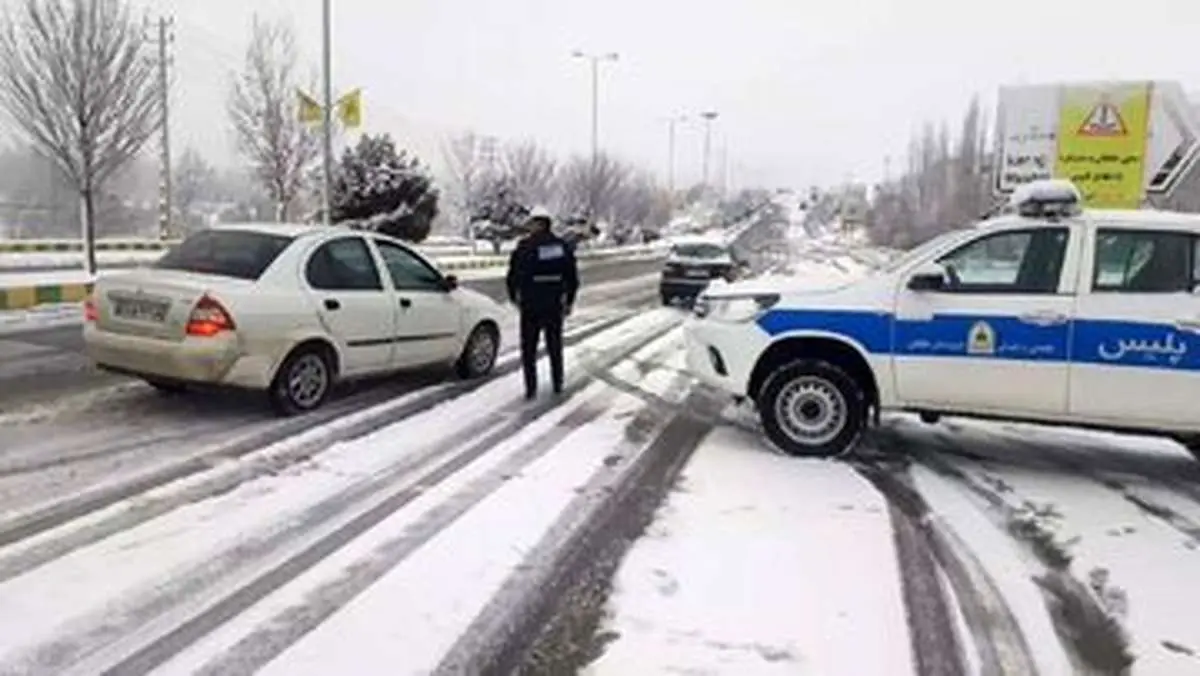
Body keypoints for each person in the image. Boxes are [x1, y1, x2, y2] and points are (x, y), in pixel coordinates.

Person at [506, 206, 580, 400]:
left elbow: (512, 275)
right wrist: (569, 300)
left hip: (530, 304)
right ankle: (557, 382)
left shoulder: (524, 246)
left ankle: (531, 388)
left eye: (531, 223)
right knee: (554, 344)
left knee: (529, 348)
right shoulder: (560, 246)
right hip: (554, 302)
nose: (529, 227)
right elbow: (571, 276)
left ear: (538, 224)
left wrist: (514, 296)